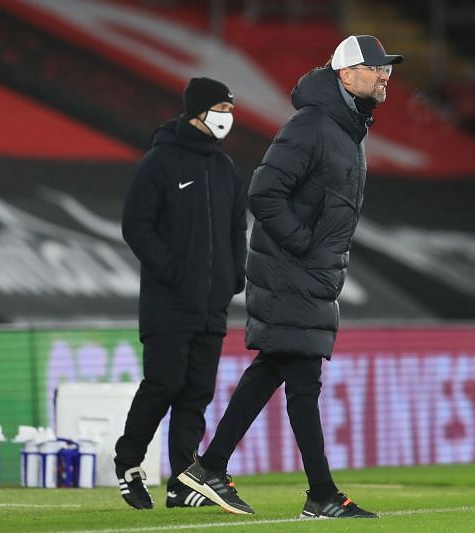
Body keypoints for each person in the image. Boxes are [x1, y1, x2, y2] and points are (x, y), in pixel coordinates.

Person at [178, 35, 402, 519]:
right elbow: (263, 193)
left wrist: (318, 255)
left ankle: (210, 468)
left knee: (275, 369)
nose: (386, 75)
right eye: (376, 67)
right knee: (303, 378)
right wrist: (304, 246)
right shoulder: (313, 125)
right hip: (291, 269)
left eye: (389, 68)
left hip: (310, 272)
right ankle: (320, 494)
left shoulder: (346, 130)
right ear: (346, 74)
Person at [114, 77, 247, 510]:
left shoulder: (226, 168)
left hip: (212, 305)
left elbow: (235, 230)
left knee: (195, 394)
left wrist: (234, 277)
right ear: (197, 112)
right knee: (164, 383)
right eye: (221, 110)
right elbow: (136, 224)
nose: (228, 118)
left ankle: (184, 481)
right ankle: (129, 462)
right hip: (168, 302)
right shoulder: (160, 162)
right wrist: (173, 271)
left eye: (230, 111)